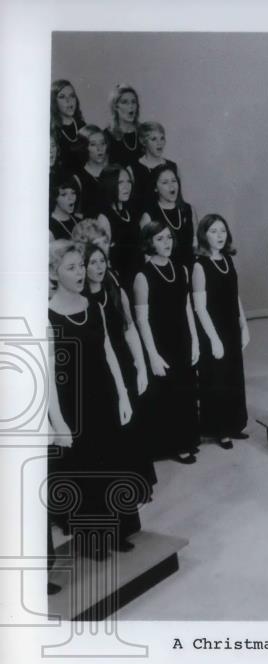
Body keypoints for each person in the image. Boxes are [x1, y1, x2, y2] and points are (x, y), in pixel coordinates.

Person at [48, 240, 140, 559]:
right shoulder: (47, 317)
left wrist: (123, 396)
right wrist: (58, 422)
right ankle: (92, 539)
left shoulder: (92, 305)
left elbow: (108, 352)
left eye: (81, 266)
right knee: (85, 469)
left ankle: (117, 531)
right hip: (73, 404)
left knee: (111, 461)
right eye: (71, 267)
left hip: (103, 395)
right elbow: (47, 377)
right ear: (54, 273)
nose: (80, 272)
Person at [82, 237, 157, 503]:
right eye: (92, 262)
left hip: (122, 362)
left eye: (102, 261)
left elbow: (129, 329)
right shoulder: (80, 299)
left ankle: (139, 484)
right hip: (98, 369)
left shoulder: (115, 289)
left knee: (132, 425)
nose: (99, 267)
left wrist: (141, 367)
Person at [133, 221, 201, 463]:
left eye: (169, 237)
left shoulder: (180, 269)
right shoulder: (143, 276)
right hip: (161, 343)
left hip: (182, 337)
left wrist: (194, 341)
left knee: (187, 391)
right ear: (149, 242)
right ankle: (175, 445)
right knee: (168, 395)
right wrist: (152, 355)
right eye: (160, 239)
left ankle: (189, 439)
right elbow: (142, 321)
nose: (167, 243)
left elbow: (186, 307)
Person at [192, 215, 249, 447]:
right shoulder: (199, 265)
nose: (219, 236)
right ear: (204, 235)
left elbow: (235, 296)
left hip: (231, 327)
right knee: (217, 380)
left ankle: (234, 424)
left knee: (234, 377)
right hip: (212, 331)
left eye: (222, 231)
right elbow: (199, 307)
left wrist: (244, 325)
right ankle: (220, 429)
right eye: (214, 231)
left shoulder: (227, 259)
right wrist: (214, 340)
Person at [139, 164, 197, 277]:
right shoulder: (149, 215)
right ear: (155, 187)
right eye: (165, 182)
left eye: (173, 180)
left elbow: (196, 245)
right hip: (164, 274)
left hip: (190, 271)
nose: (171, 186)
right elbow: (147, 255)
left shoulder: (189, 210)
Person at [97, 165, 144, 294]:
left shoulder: (130, 211)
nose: (126, 187)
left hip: (138, 276)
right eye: (120, 183)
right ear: (109, 185)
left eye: (128, 182)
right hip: (122, 281)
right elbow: (104, 258)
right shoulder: (104, 217)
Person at [132, 122, 182, 211]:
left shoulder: (172, 166)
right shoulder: (133, 169)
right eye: (154, 139)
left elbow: (179, 199)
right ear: (143, 141)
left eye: (162, 138)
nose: (159, 143)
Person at [74, 125, 113, 219]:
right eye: (93, 144)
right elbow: (77, 215)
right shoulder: (78, 178)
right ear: (84, 147)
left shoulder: (115, 171)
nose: (99, 149)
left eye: (102, 143)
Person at [51, 79, 88, 171]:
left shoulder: (82, 126)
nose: (69, 100)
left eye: (72, 96)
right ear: (54, 102)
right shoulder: (51, 130)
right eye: (62, 97)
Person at [104, 83, 143, 170]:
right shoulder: (106, 136)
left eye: (134, 102)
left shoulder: (144, 132)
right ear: (115, 107)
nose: (131, 106)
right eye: (125, 102)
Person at [49, 173, 82, 241]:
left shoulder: (79, 221)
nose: (71, 198)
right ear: (54, 197)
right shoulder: (49, 226)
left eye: (73, 193)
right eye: (64, 194)